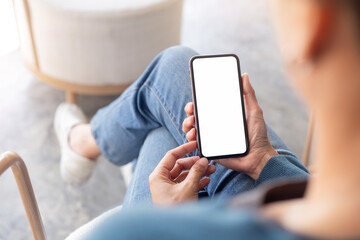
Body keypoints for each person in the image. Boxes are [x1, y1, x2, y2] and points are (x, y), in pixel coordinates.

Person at [55, 0, 360, 239]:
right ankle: (89, 144)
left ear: (310, 25)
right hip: (306, 192)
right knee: (174, 104)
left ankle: (84, 143)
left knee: (163, 127)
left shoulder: (130, 233)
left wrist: (168, 224)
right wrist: (263, 161)